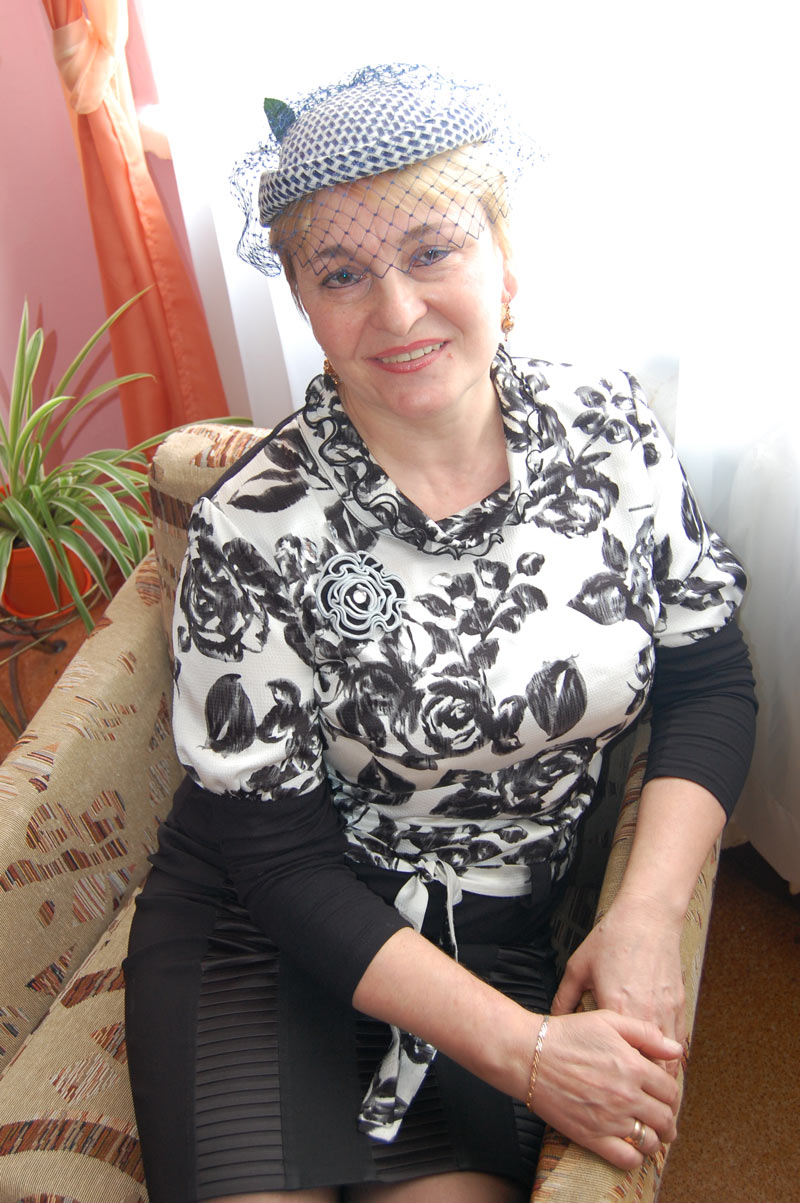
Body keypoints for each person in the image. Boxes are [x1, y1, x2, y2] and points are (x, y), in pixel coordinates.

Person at [124, 63, 757, 1203]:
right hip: (263, 934)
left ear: (503, 262)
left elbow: (707, 675)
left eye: (431, 251)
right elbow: (279, 860)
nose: (398, 312)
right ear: (303, 305)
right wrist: (529, 1055)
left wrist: (646, 913)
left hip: (487, 937)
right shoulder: (253, 525)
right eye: (342, 274)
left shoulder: (608, 431)